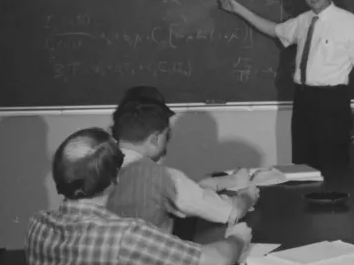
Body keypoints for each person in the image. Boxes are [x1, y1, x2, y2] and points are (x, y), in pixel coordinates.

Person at [25, 127, 252, 265]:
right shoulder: (126, 238)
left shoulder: (37, 226)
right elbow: (217, 261)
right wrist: (238, 239)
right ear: (115, 178)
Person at [218, 0, 354, 169]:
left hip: (332, 102)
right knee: (303, 165)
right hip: (302, 100)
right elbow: (274, 30)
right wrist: (237, 9)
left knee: (333, 166)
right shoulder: (303, 20)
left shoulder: (348, 22)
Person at [106, 98, 259, 236]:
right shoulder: (162, 177)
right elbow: (230, 212)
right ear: (155, 139)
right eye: (167, 135)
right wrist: (249, 195)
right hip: (155, 259)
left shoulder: (97, 166)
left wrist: (224, 182)